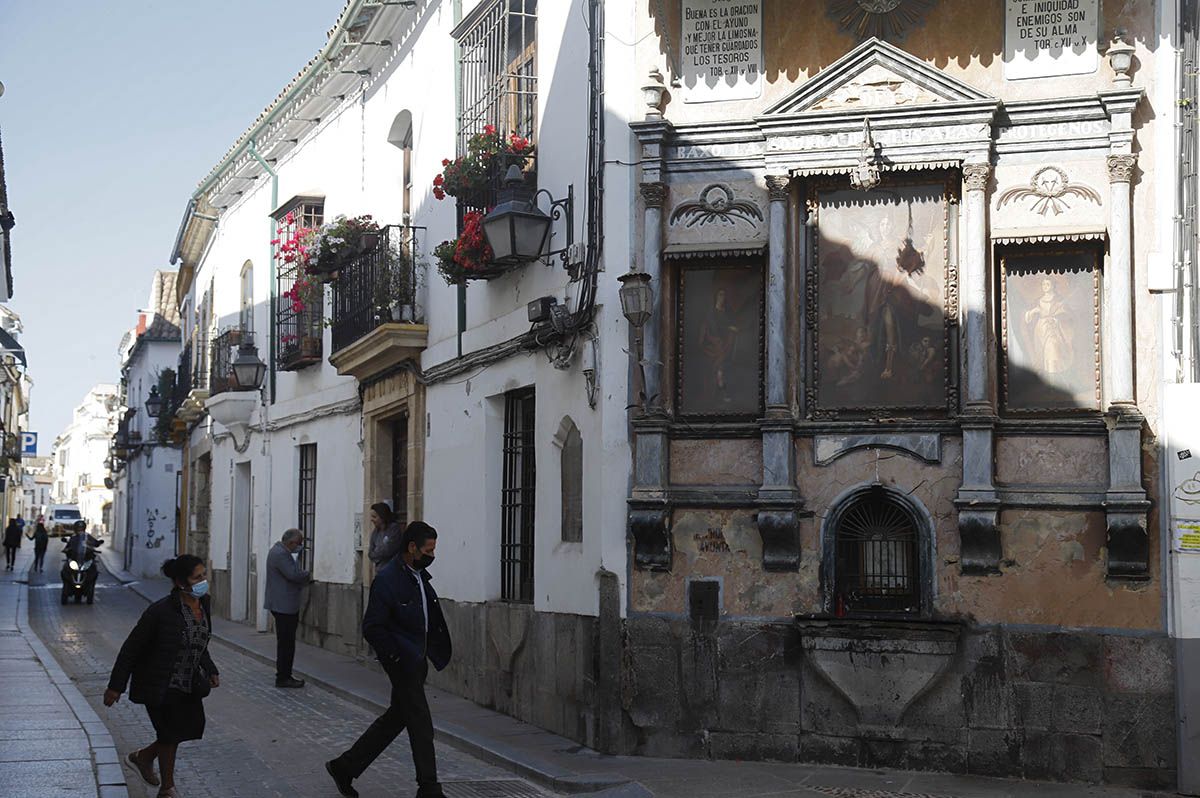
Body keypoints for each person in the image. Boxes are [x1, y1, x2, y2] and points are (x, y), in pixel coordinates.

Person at [326, 521, 452, 798]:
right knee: (420, 722)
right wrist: (395, 655)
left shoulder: (418, 575)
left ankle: (344, 767)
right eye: (429, 550)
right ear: (412, 548)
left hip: (417, 660)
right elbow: (372, 626)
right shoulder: (388, 579)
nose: (432, 555)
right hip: (403, 662)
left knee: (396, 719)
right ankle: (429, 788)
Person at [104, 555, 219, 798]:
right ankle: (168, 789)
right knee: (169, 733)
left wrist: (210, 668)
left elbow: (199, 641)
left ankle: (144, 757)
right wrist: (116, 687)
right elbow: (131, 649)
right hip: (159, 682)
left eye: (203, 575)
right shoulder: (160, 612)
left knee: (189, 728)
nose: (203, 581)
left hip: (188, 683)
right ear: (181, 583)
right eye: (197, 577)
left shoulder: (204, 604)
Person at [263, 528, 310, 688]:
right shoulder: (281, 554)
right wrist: (308, 574)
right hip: (283, 605)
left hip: (281, 603)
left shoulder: (277, 551)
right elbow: (293, 575)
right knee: (286, 643)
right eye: (299, 543)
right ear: (290, 542)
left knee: (285, 642)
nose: (300, 547)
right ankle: (283, 676)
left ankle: (284, 675)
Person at [367, 502, 403, 567]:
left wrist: (377, 551)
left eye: (374, 517)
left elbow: (388, 550)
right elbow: (370, 553)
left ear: (382, 517)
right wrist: (379, 552)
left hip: (392, 569)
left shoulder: (394, 529)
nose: (372, 520)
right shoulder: (375, 532)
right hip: (379, 570)